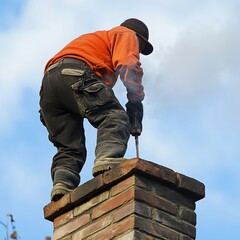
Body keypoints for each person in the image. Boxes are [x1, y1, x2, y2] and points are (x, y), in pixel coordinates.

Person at [39, 18, 153, 201]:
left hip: (49, 87)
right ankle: (107, 159)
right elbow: (128, 64)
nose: (137, 51)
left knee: (69, 146)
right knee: (114, 116)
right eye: (140, 48)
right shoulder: (126, 33)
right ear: (138, 37)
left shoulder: (99, 39)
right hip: (76, 73)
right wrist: (135, 100)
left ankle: (62, 184)